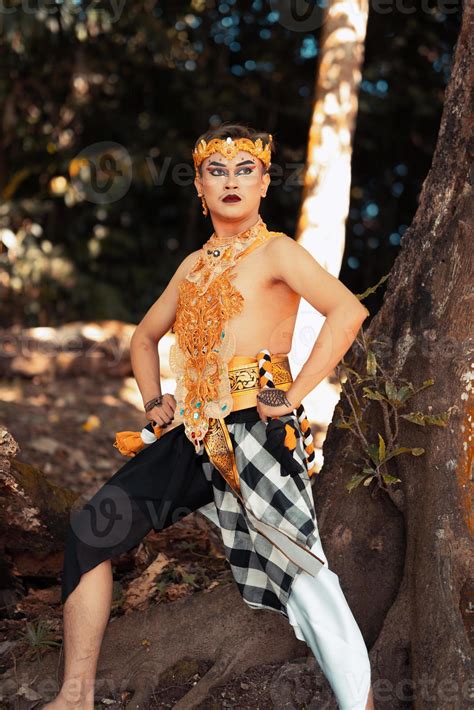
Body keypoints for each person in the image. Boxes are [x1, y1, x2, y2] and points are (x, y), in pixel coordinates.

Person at [45, 123, 374, 710]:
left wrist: (294, 393)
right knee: (91, 532)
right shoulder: (194, 265)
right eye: (215, 170)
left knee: (304, 577)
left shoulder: (277, 251)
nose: (230, 180)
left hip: (256, 431)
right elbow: (144, 338)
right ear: (199, 185)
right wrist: (154, 402)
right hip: (192, 435)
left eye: (244, 169)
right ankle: (75, 697)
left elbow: (347, 311)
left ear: (265, 183)